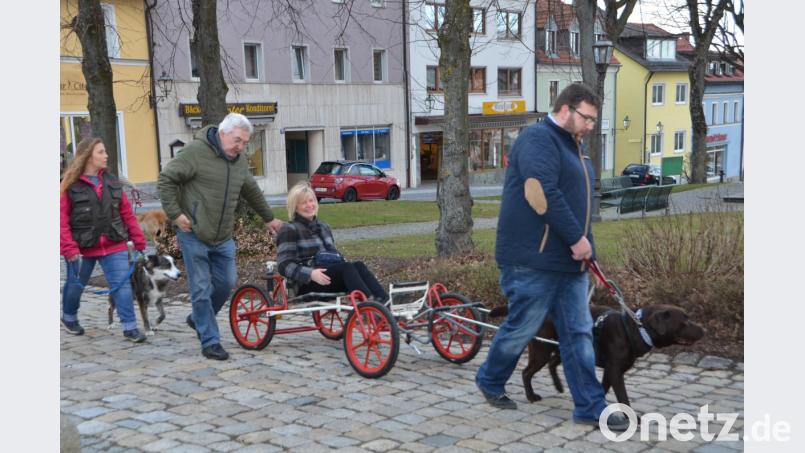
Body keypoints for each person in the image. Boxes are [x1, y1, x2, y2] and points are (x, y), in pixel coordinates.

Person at [475, 84, 629, 432]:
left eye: (593, 119)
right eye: (587, 118)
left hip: (569, 264)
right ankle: (489, 378)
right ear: (566, 110)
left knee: (578, 334)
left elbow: (582, 208)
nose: (591, 125)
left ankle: (590, 406)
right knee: (522, 327)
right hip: (531, 260)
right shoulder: (538, 139)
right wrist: (576, 239)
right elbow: (539, 193)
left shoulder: (575, 148)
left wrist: (588, 251)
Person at [158, 113, 283, 361]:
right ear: (223, 133)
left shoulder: (238, 161)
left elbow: (251, 190)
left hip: (223, 235)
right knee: (201, 287)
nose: (241, 146)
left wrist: (269, 218)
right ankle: (210, 341)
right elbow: (166, 180)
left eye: (245, 142)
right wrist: (176, 214)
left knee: (226, 282)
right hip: (193, 232)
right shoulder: (196, 152)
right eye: (237, 140)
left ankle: (198, 319)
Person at [60, 138, 148, 343]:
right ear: (89, 156)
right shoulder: (69, 185)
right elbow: (61, 219)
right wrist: (69, 248)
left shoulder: (112, 182)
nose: (106, 155)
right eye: (101, 152)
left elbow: (127, 214)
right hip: (81, 247)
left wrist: (139, 240)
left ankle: (130, 327)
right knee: (76, 285)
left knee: (122, 285)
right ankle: (69, 316)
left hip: (113, 243)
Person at [277, 182, 388, 302]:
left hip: (331, 278)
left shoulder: (323, 226)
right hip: (308, 284)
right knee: (347, 268)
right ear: (295, 207)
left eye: (311, 200)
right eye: (304, 203)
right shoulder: (289, 229)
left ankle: (385, 305)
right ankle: (370, 307)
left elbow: (333, 255)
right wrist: (311, 274)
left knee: (358, 266)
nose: (309, 205)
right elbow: (284, 265)